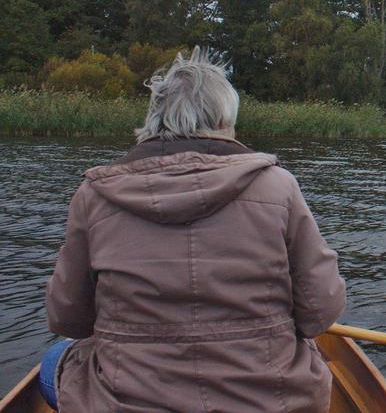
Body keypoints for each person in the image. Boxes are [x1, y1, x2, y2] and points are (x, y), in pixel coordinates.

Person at [43, 47, 346, 412]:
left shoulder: (93, 195)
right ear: (223, 122)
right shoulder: (279, 186)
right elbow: (320, 312)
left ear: (154, 120)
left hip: (127, 402)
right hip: (272, 401)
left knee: (55, 359)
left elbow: (68, 319)